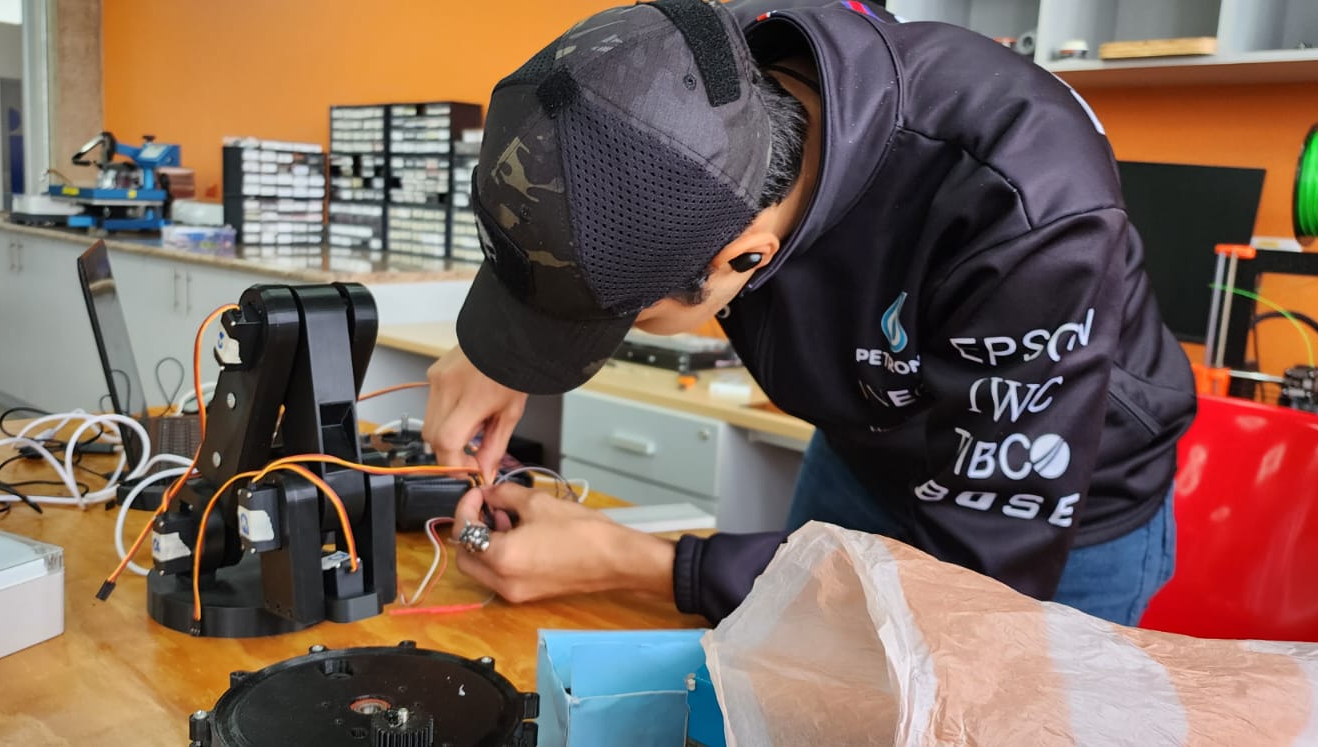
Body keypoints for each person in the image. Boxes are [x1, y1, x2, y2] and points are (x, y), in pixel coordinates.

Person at [424, 0, 1196, 626]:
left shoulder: (1029, 208)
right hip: (864, 440)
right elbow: (591, 180)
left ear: (744, 259)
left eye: (627, 318)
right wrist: (506, 346)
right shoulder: (697, 72)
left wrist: (634, 562)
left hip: (1051, 511)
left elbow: (971, 593)